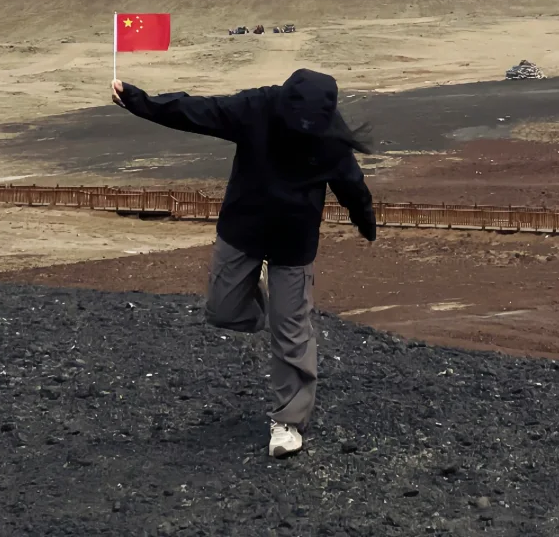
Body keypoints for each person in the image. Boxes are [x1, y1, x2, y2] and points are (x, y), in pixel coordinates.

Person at [111, 68, 376, 458]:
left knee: (291, 331)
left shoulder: (330, 135)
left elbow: (352, 185)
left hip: (293, 241)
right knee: (222, 311)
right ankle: (276, 312)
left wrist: (365, 223)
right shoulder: (255, 107)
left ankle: (288, 422)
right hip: (243, 227)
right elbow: (196, 111)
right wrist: (138, 100)